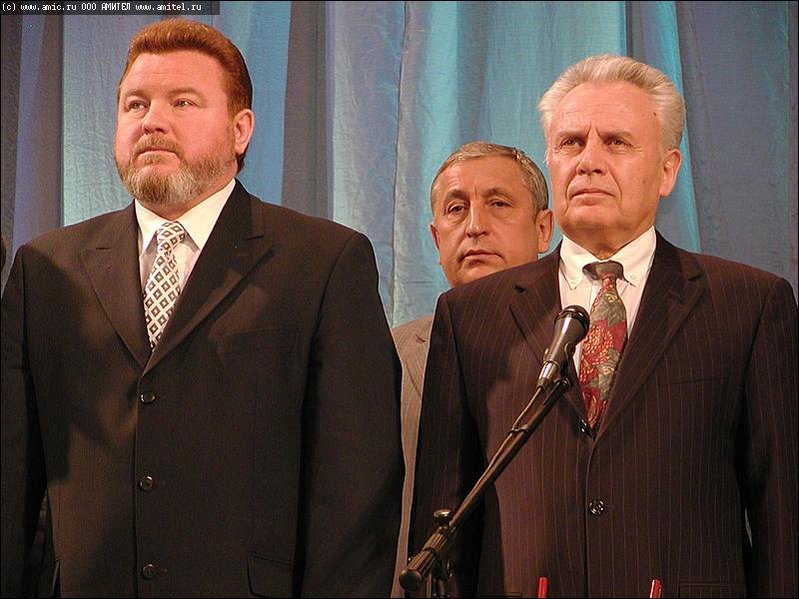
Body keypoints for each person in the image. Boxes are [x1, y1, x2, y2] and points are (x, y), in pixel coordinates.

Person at [1, 19, 403, 597]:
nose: (152, 120)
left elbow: (356, 485)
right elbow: (13, 477)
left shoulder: (323, 262)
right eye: (135, 104)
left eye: (182, 102)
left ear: (240, 130)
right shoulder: (46, 269)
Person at [408, 54, 798, 598]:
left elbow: (783, 519)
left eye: (616, 142)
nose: (589, 161)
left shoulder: (748, 305)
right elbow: (442, 521)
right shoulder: (471, 314)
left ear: (668, 170)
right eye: (571, 143)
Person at [391, 141, 553, 596]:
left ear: (543, 229)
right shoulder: (390, 353)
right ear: (436, 238)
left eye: (498, 204)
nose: (475, 226)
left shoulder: (578, 346)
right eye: (456, 209)